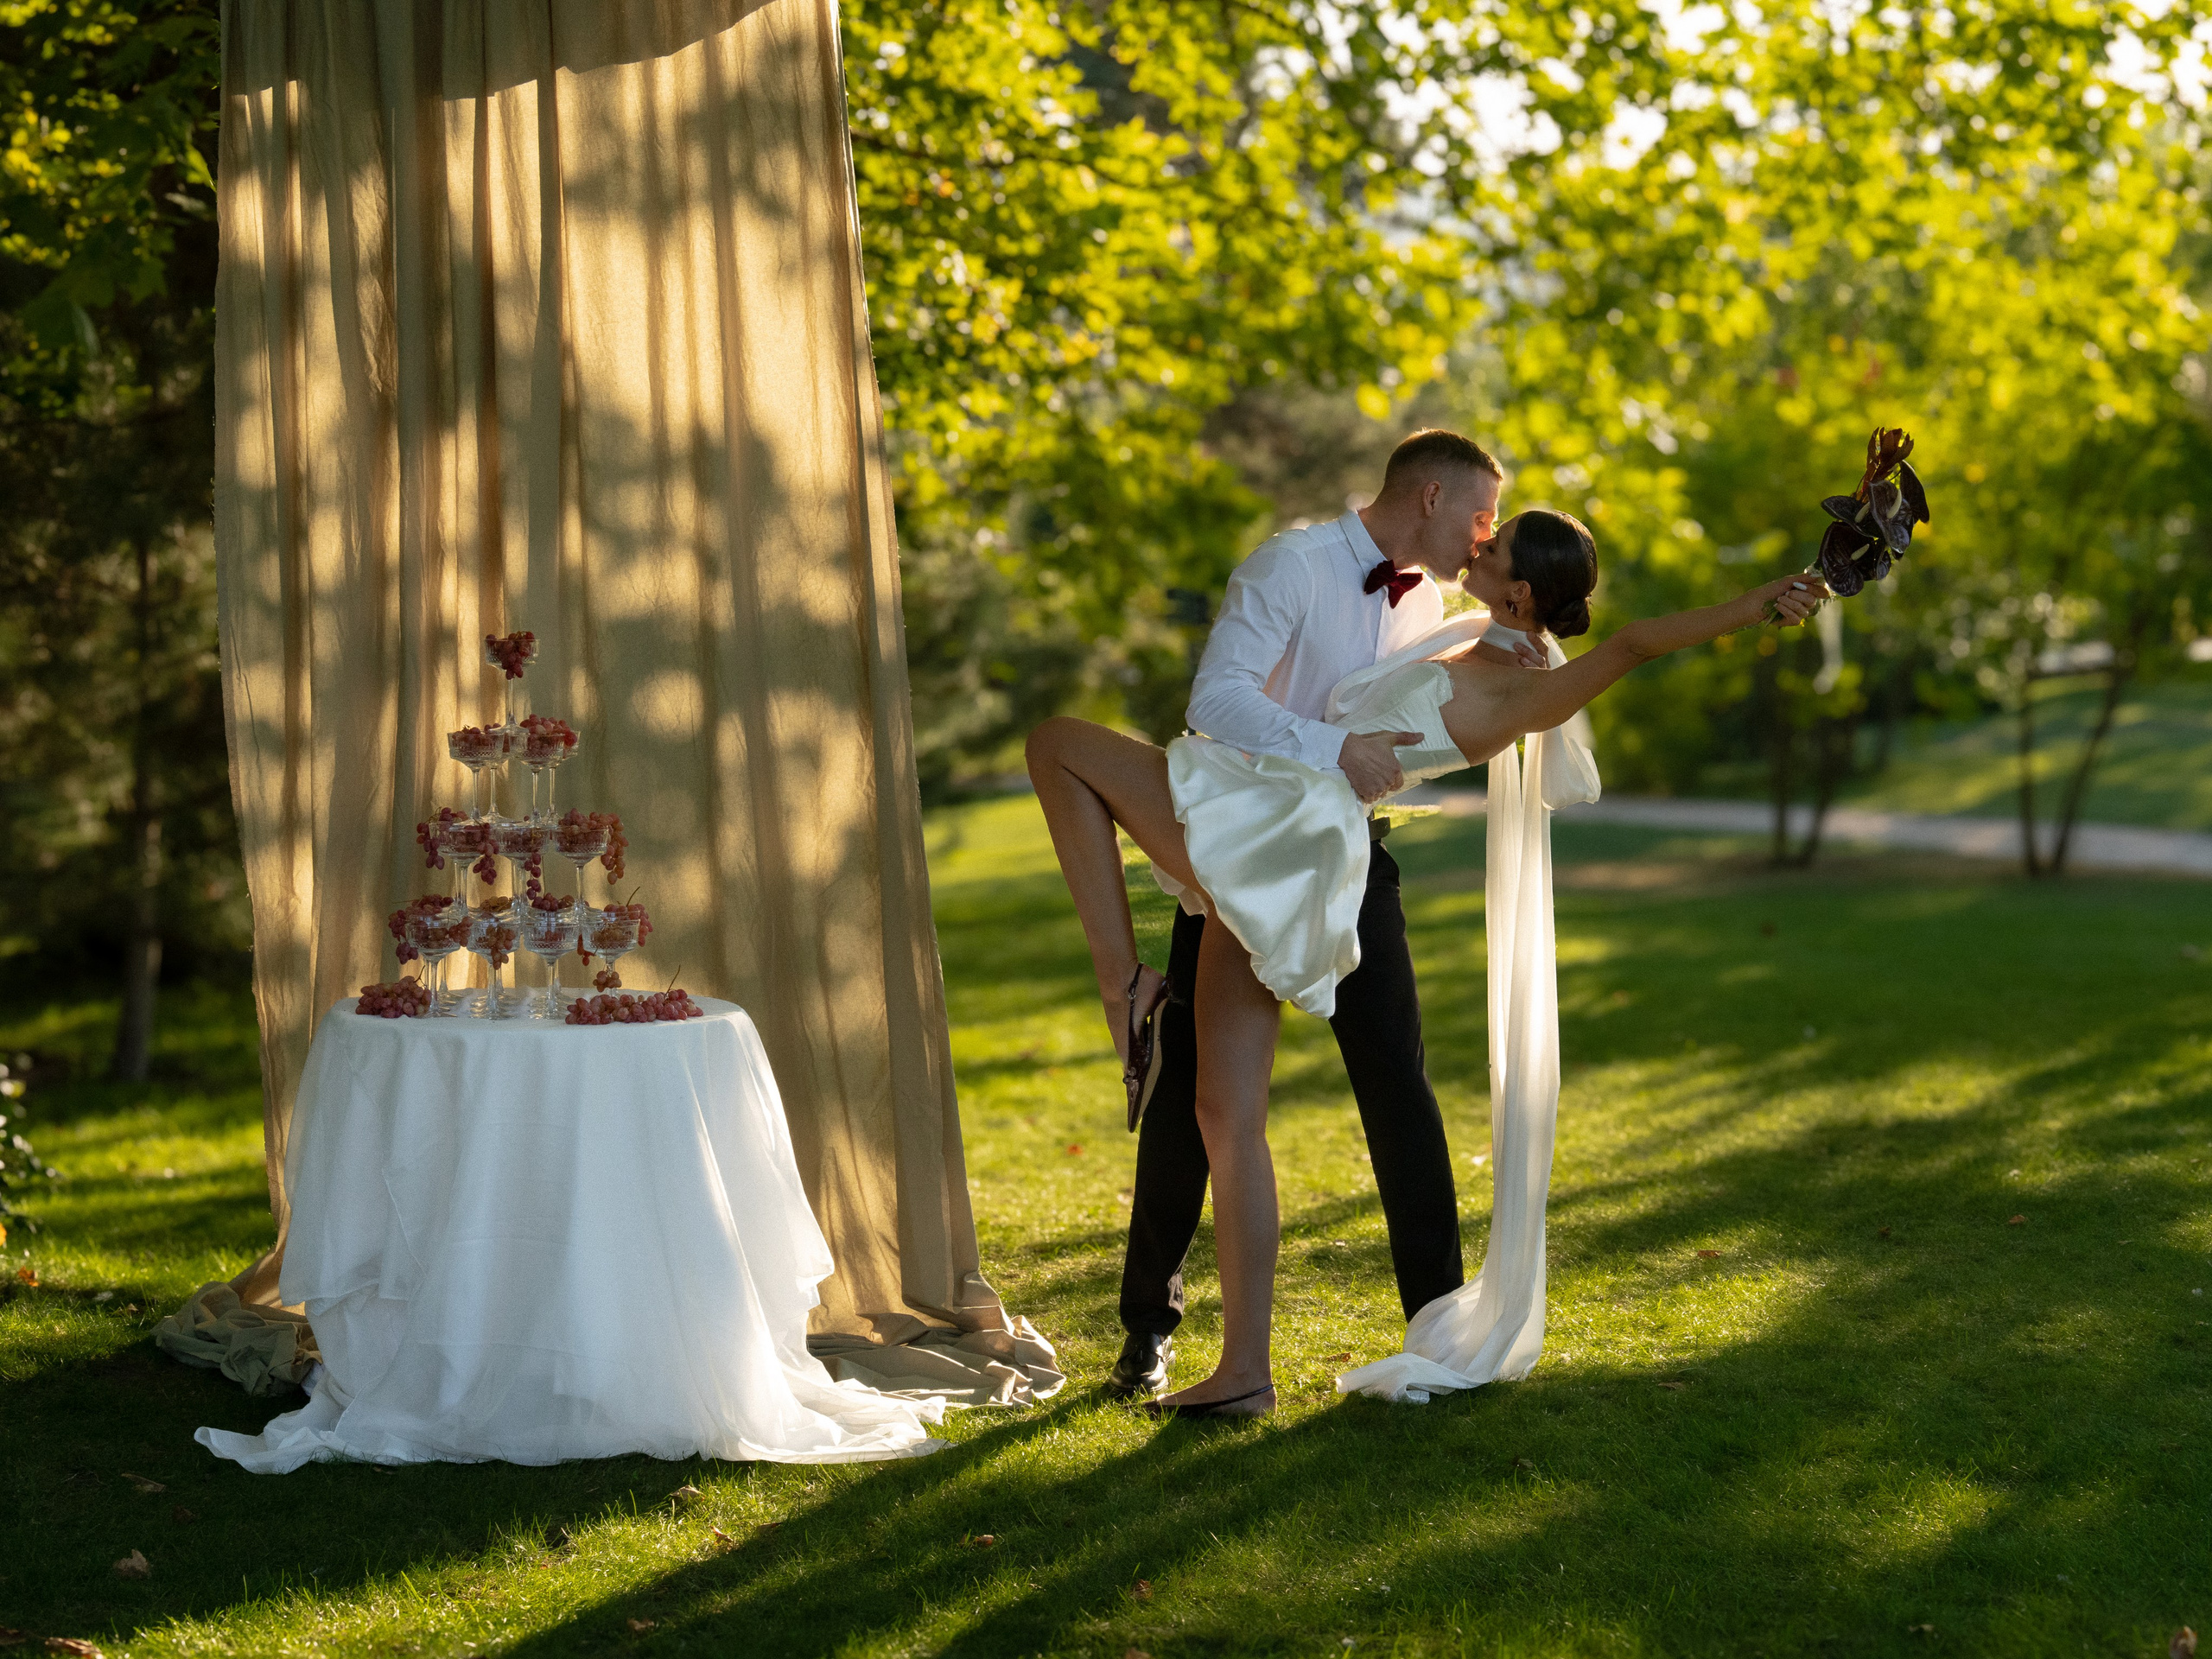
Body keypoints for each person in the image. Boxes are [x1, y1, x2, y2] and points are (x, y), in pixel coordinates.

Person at [1026, 481, 1827, 1417]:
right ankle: (1241, 1372)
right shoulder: (1469, 632)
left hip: (1292, 833)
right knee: (1219, 1113)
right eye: (1482, 528)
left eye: (1497, 547)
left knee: (1057, 744)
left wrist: (1763, 601)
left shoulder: (1521, 689)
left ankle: (1123, 983)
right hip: (1288, 826)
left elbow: (1635, 642)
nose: (1480, 543)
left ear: (1520, 592)